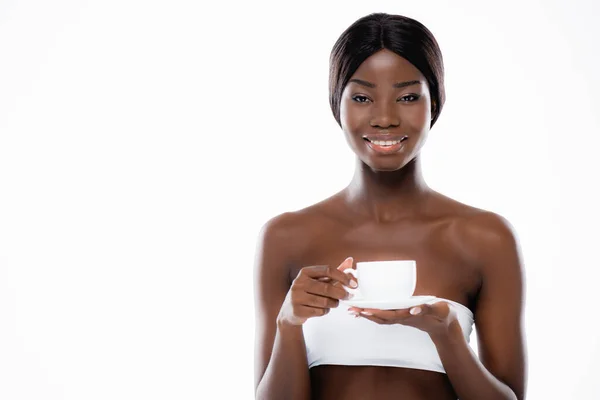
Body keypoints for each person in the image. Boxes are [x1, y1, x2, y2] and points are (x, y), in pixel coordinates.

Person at [253, 12, 526, 400]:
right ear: (337, 105)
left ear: (436, 103)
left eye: (408, 96)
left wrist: (448, 339)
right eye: (362, 97)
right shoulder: (285, 237)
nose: (384, 118)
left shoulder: (485, 238)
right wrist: (289, 323)